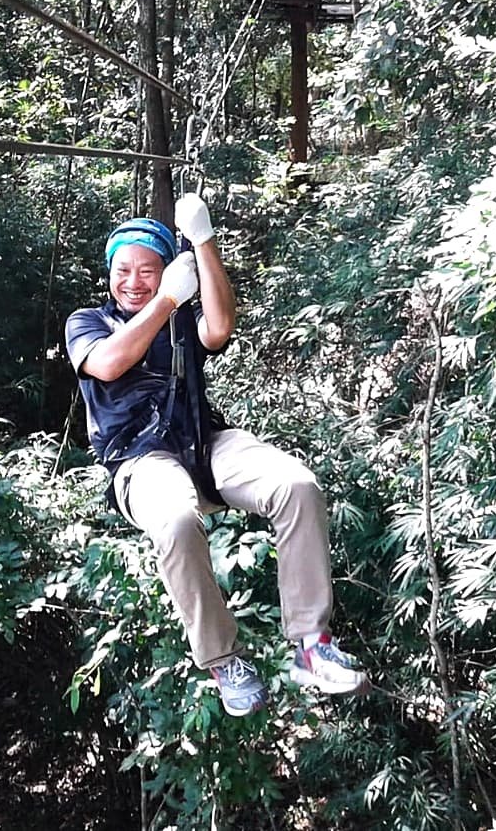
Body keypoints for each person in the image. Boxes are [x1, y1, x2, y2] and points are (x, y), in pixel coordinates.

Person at [64, 193, 368, 717]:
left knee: (296, 487)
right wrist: (166, 300)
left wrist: (204, 241)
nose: (133, 281)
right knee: (177, 521)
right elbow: (109, 364)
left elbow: (220, 326)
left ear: (166, 270)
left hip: (204, 441)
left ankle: (311, 646)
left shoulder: (182, 318)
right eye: (123, 270)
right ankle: (223, 660)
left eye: (148, 271)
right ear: (108, 274)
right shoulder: (87, 322)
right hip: (140, 460)